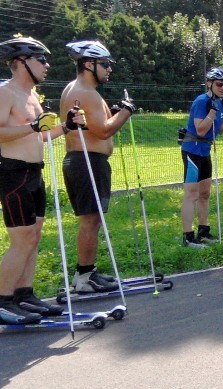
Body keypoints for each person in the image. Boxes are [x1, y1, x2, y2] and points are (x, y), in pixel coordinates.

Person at [0, 35, 81, 323]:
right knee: (21, 240)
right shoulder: (6, 93)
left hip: (35, 172)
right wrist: (32, 126)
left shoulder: (32, 96)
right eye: (41, 59)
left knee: (33, 238)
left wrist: (66, 126)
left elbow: (40, 135)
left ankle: (24, 295)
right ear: (21, 63)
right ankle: (3, 301)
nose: (47, 65)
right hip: (13, 174)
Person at [60, 40, 136, 293]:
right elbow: (103, 131)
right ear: (88, 64)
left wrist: (114, 112)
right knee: (91, 221)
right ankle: (83, 278)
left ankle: (87, 271)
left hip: (85, 160)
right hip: (87, 161)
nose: (109, 69)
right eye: (105, 65)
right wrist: (125, 111)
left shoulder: (79, 89)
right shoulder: (87, 93)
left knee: (93, 220)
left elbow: (94, 125)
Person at [180, 67, 223, 248]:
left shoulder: (218, 102)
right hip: (192, 150)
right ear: (209, 84)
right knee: (192, 194)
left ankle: (203, 231)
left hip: (205, 151)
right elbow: (201, 129)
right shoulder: (202, 101)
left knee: (205, 193)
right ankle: (188, 236)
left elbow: (218, 130)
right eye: (219, 84)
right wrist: (212, 112)